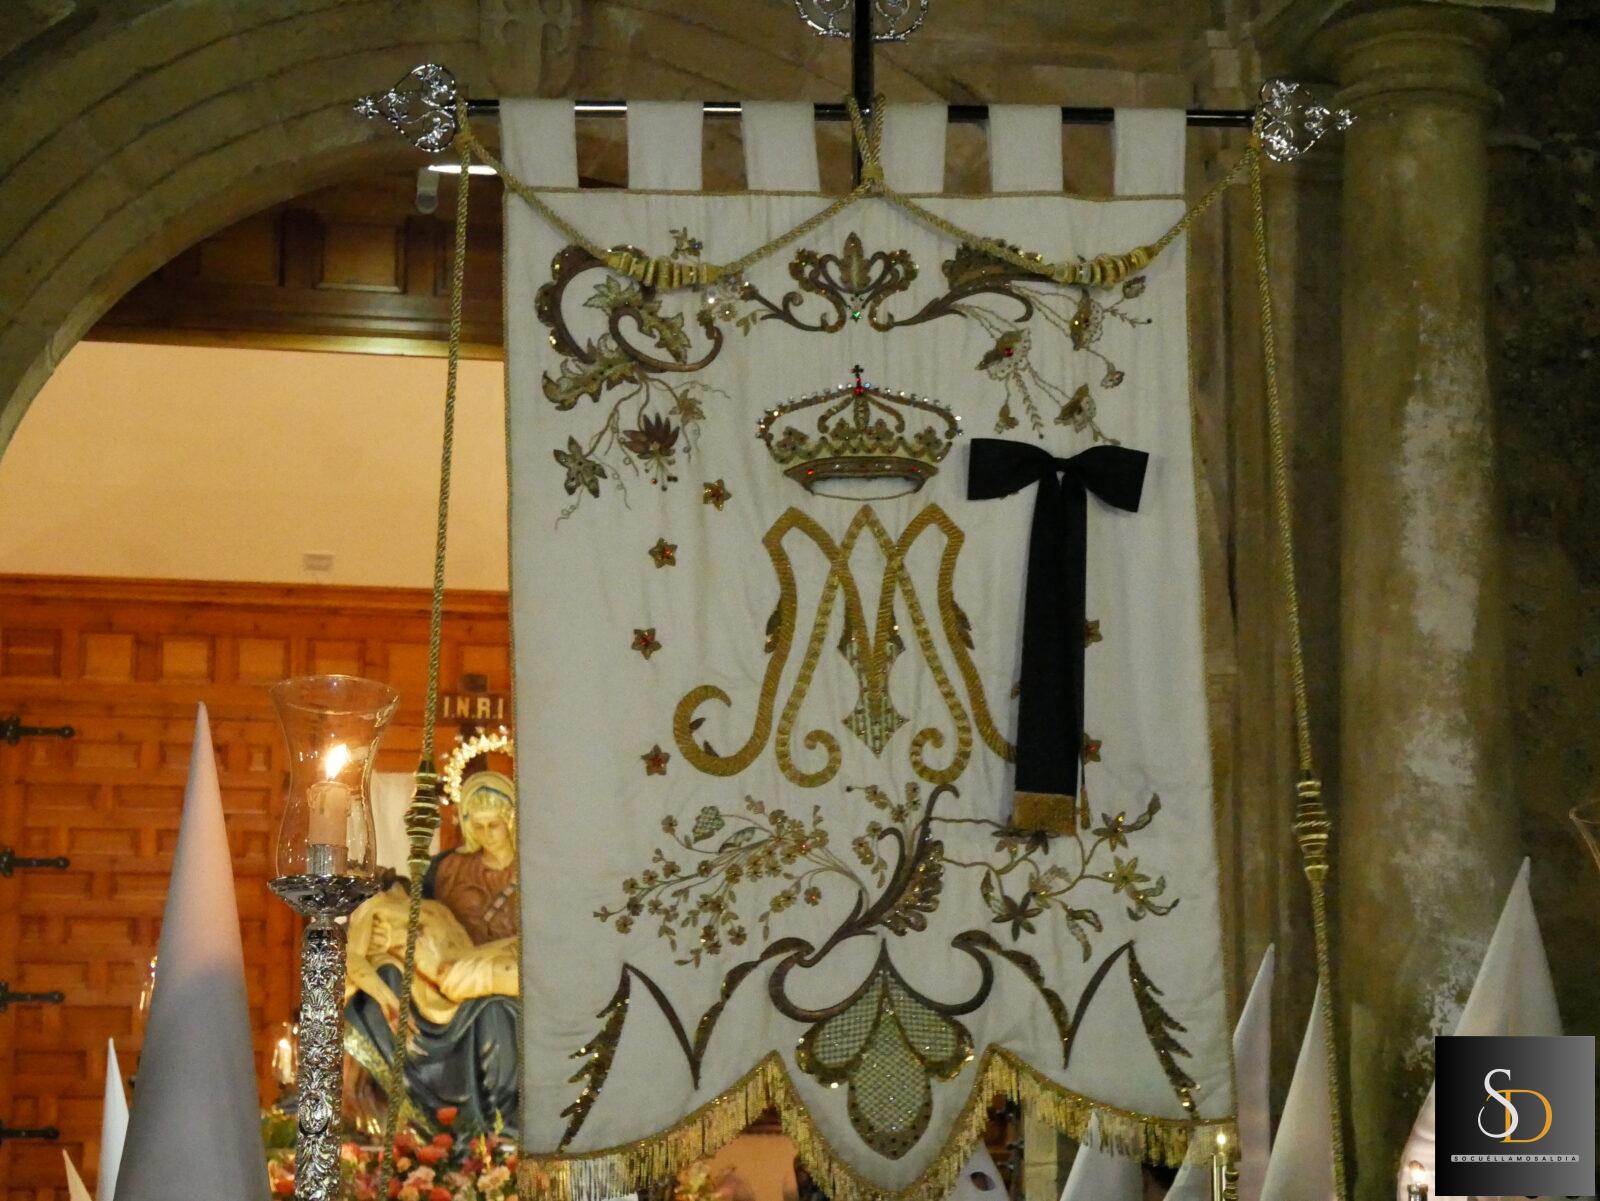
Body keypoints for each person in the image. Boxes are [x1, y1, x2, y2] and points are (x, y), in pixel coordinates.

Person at [343, 883, 520, 1133]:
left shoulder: (436, 909)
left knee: (513, 973)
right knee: (509, 984)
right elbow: (352, 959)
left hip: (457, 975)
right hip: (438, 986)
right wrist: (387, 999)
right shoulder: (374, 906)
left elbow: (465, 949)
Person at [424, 770, 519, 945]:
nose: (486, 834)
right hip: (461, 958)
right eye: (478, 826)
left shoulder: (534, 868)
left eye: (493, 825)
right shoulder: (450, 869)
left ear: (510, 822)